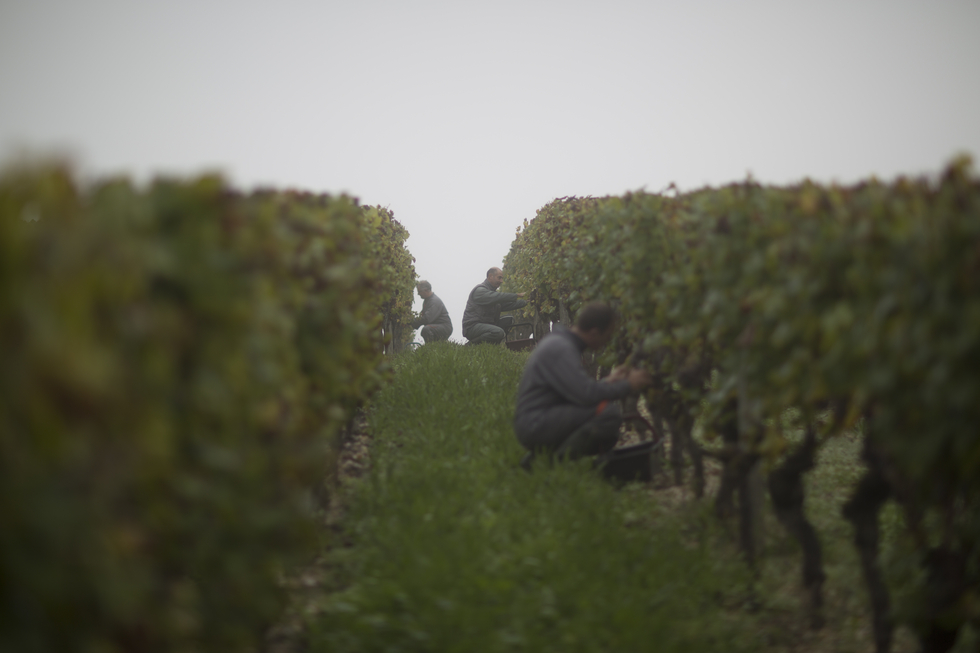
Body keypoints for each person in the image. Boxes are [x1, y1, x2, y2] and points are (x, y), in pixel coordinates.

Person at [513, 301, 653, 468]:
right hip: (534, 425)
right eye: (607, 336)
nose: (607, 342)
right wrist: (629, 384)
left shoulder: (561, 343)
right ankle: (553, 465)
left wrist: (608, 382)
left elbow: (576, 389)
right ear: (594, 333)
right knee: (608, 414)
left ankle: (537, 461)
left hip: (537, 420)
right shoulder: (562, 348)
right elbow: (586, 395)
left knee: (602, 410)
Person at [461, 267, 527, 345]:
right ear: (490, 276)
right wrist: (516, 295)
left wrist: (526, 302)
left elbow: (508, 305)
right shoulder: (480, 291)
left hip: (486, 325)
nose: (501, 281)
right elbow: (497, 297)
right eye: (499, 278)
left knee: (509, 320)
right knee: (498, 332)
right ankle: (471, 345)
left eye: (502, 278)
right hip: (472, 327)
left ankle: (492, 345)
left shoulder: (493, 294)